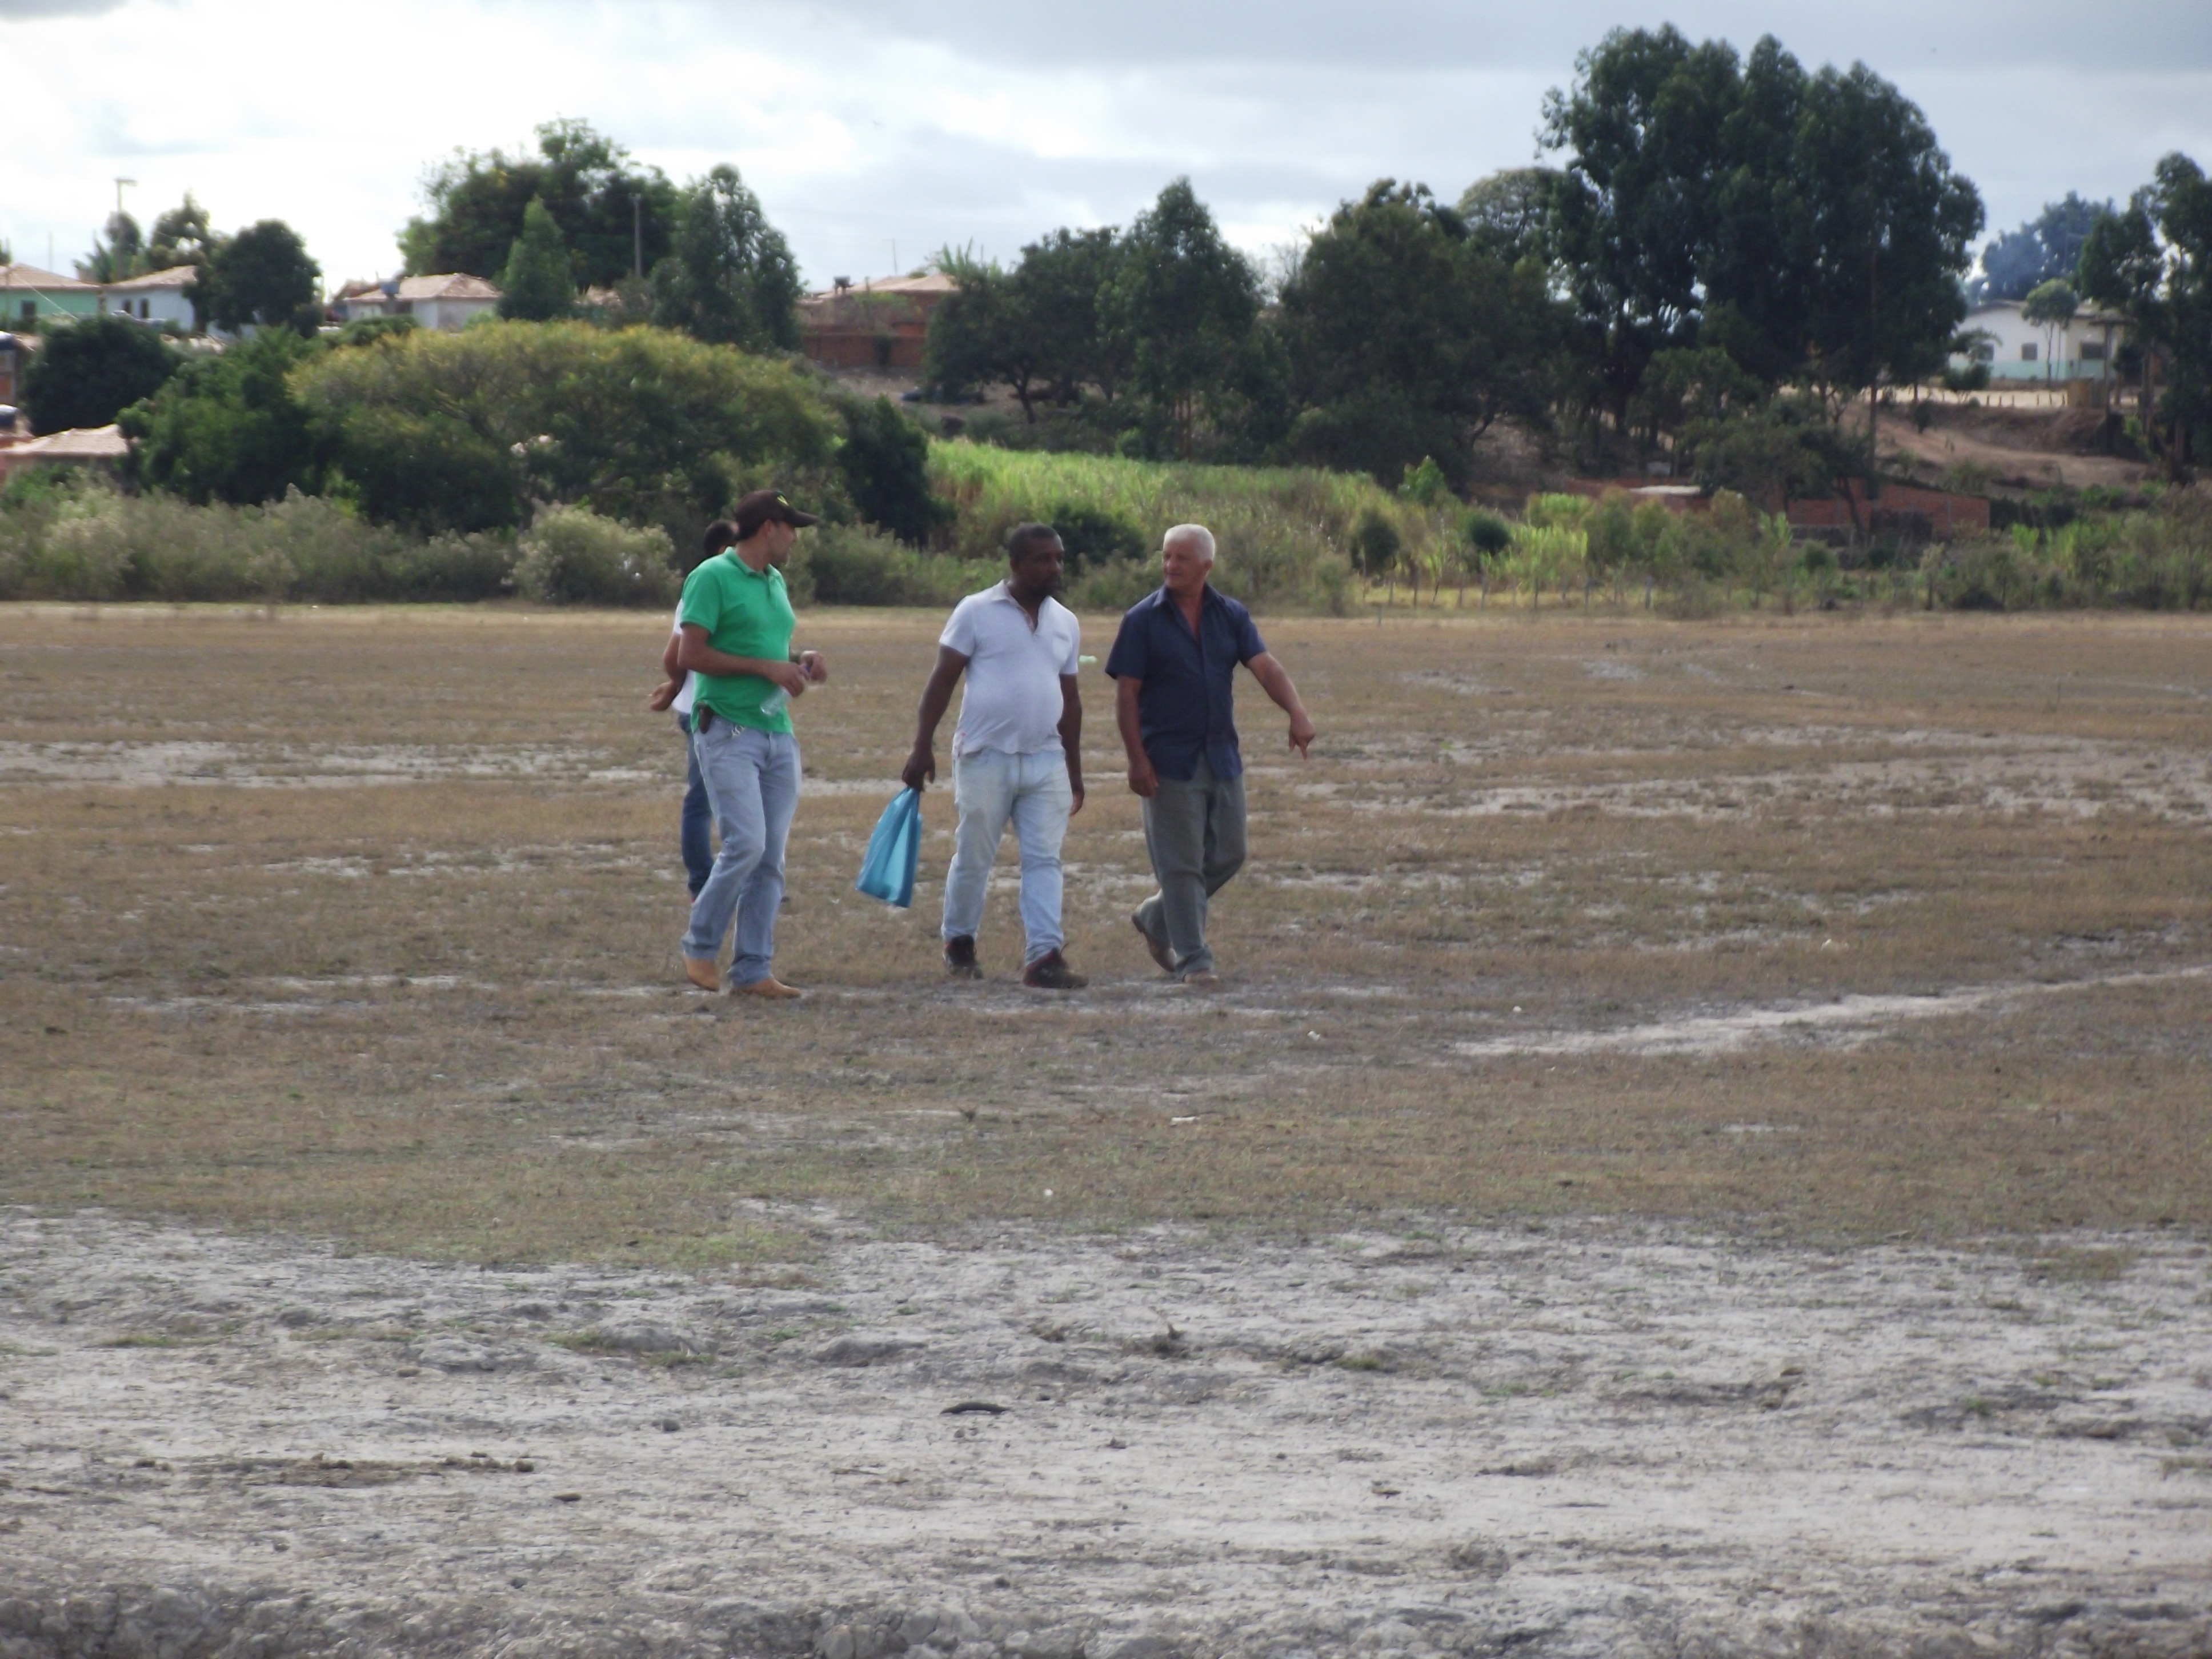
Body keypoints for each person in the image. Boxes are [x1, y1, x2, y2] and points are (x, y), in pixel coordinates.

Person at [1105, 523, 1315, 987]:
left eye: (1180, 558)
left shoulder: (1231, 615)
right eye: (1166, 557)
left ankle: (1156, 917)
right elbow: (1126, 695)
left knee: (1230, 853)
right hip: (1167, 761)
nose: (1170, 566)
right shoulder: (1142, 620)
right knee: (1180, 864)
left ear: (1206, 566)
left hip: (1221, 755)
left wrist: (1297, 714)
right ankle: (1195, 959)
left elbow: (1265, 667)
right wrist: (1136, 759)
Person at [901, 523, 1087, 989]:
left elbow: (1072, 699)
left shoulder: (1065, 622)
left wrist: (1074, 767)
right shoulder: (975, 612)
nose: (1054, 568)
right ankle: (958, 940)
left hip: (1046, 758)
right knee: (975, 855)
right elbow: (942, 681)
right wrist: (921, 746)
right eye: (1043, 560)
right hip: (986, 756)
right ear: (1016, 565)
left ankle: (1044, 955)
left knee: (1045, 859)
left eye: (1059, 559)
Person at [674, 490, 828, 999]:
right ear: (768, 528)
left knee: (770, 857)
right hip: (727, 731)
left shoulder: (774, 581)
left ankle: (753, 969)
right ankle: (699, 945)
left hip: (775, 733)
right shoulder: (711, 577)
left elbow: (763, 645)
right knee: (746, 844)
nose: (795, 537)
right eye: (791, 527)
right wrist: (767, 668)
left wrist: (798, 658)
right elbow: (691, 653)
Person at [648, 520, 737, 903]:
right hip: (703, 709)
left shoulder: (715, 587)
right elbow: (675, 655)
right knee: (705, 800)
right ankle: (702, 882)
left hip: (705, 705)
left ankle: (721, 879)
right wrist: (676, 686)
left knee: (717, 798)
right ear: (722, 551)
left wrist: (673, 686)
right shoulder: (708, 587)